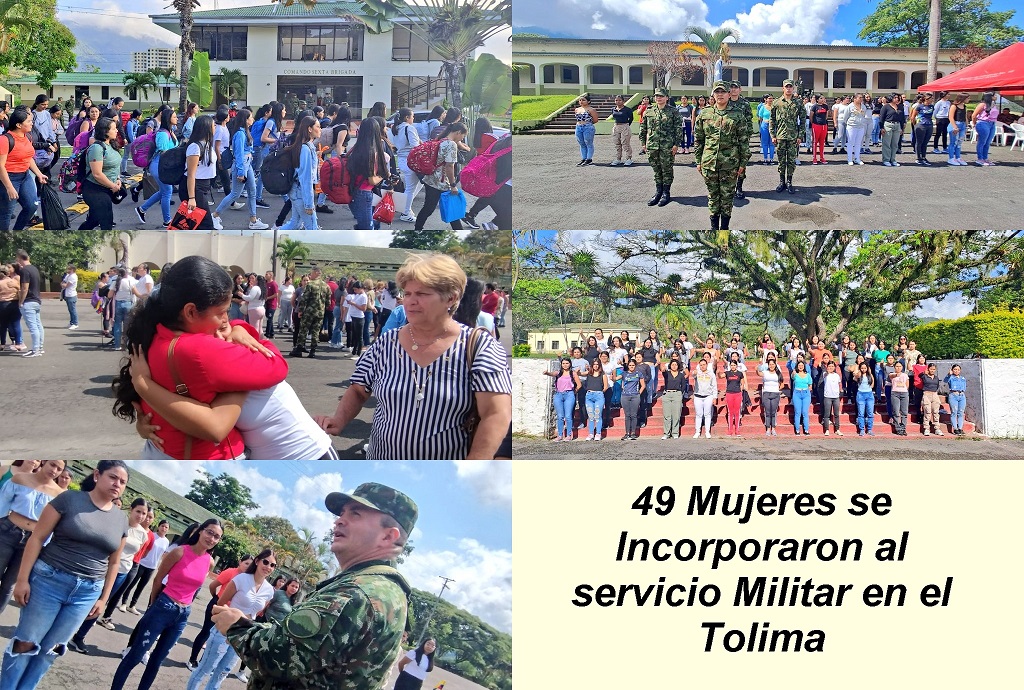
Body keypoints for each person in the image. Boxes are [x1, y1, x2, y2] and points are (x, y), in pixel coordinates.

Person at [213, 484, 417, 690]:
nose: (339, 521)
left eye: (355, 514)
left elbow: (278, 658)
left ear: (388, 536)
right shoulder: (388, 589)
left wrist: (236, 626)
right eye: (342, 513)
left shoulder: (355, 593)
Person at [315, 255, 511, 459]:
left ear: (451, 298)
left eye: (421, 294)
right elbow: (358, 390)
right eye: (407, 293)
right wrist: (338, 420)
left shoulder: (479, 346)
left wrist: (476, 465)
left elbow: (496, 414)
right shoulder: (386, 343)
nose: (410, 301)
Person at [111, 255, 288, 460]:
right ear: (191, 312)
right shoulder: (200, 350)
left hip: (160, 448)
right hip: (209, 457)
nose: (226, 320)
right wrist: (242, 329)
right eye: (221, 312)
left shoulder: (156, 333)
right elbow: (276, 365)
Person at [0, 461, 130, 690]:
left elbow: (114, 562)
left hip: (87, 593)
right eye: (113, 477)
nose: (117, 484)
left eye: (122, 482)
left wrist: (103, 598)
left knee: (51, 650)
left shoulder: (120, 519)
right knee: (26, 643)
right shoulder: (68, 500)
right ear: (97, 475)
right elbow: (37, 538)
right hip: (49, 581)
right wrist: (22, 580)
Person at [110, 518, 223, 690]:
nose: (212, 539)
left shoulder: (210, 561)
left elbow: (195, 588)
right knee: (136, 655)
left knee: (156, 661)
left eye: (217, 537)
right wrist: (154, 604)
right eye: (209, 532)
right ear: (200, 531)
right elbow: (158, 579)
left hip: (183, 614)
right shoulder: (179, 552)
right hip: (164, 605)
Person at [186, 549, 276, 690]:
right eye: (266, 562)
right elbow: (220, 603)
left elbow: (257, 613)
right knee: (205, 669)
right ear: (257, 561)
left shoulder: (269, 590)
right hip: (224, 631)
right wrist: (229, 621)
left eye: (272, 565)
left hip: (243, 636)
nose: (268, 567)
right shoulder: (241, 579)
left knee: (222, 673)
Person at [67, 497, 149, 652]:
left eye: (144, 513)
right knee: (85, 600)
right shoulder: (119, 523)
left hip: (123, 572)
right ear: (131, 509)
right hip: (105, 568)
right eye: (138, 511)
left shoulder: (143, 534)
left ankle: (79, 637)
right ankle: (65, 633)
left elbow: (137, 554)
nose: (140, 516)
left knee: (100, 604)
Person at [0, 460, 65, 614]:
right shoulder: (20, 479)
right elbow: (2, 504)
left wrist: (44, 545)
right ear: (44, 462)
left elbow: (54, 525)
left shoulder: (60, 495)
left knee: (9, 584)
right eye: (52, 464)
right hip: (8, 531)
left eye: (59, 469)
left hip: (32, 541)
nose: (54, 470)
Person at [694, 80, 749, 230]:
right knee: (713, 197)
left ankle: (724, 228)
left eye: (723, 92)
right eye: (717, 92)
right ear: (713, 94)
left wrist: (743, 164)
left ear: (729, 94)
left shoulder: (737, 115)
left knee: (727, 198)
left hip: (730, 165)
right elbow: (699, 140)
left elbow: (744, 141)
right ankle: (713, 228)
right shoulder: (705, 113)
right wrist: (698, 161)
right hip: (709, 163)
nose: (720, 95)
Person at [186, 555, 254, 670]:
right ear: (240, 562)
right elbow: (213, 586)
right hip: (218, 605)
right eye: (246, 563)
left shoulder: (248, 580)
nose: (248, 567)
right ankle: (192, 660)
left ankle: (203, 663)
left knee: (216, 638)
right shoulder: (230, 572)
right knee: (206, 632)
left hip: (229, 612)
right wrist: (216, 598)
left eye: (251, 565)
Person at [212, 109, 269, 231]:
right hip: (242, 165)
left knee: (252, 192)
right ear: (245, 119)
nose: (252, 119)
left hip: (246, 164)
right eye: (250, 117)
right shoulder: (240, 134)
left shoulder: (244, 132)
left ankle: (253, 220)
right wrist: (241, 172)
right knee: (235, 194)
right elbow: (238, 154)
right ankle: (215, 216)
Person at [413, 121, 467, 232]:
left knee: (429, 208)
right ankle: (418, 229)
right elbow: (449, 166)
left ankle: (418, 228)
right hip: (441, 182)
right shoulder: (451, 144)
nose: (461, 139)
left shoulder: (440, 140)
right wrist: (453, 185)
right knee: (440, 208)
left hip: (431, 179)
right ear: (458, 132)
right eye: (463, 136)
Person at [0, 109, 49, 231]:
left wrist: (39, 174)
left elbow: (28, 158)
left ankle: (17, 233)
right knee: (6, 213)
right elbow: (0, 166)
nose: (32, 123)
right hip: (9, 178)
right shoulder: (5, 140)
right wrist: (9, 187)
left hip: (25, 176)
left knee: (31, 206)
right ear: (18, 125)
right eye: (29, 121)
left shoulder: (28, 136)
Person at [136, 108, 179, 227]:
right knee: (167, 192)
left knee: (163, 191)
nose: (177, 118)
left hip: (164, 166)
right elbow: (164, 152)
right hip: (159, 166)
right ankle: (167, 221)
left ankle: (142, 209)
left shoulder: (170, 131)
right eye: (174, 117)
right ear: (168, 119)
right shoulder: (162, 134)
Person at [638, 88, 681, 207]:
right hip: (652, 145)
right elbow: (643, 128)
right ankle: (658, 192)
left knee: (667, 169)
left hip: (667, 146)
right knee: (656, 170)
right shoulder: (649, 110)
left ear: (667, 97)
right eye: (657, 96)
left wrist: (676, 144)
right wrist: (643, 143)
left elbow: (678, 129)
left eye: (661, 96)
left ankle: (666, 193)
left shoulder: (673, 111)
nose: (658, 98)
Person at [120, 518, 170, 614]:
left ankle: (132, 605)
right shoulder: (152, 536)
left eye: (166, 527)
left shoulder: (167, 541)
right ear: (158, 526)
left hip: (152, 567)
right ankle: (124, 603)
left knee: (141, 587)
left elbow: (163, 554)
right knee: (131, 584)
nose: (164, 528)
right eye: (162, 526)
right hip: (142, 563)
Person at [279, 116, 321, 231]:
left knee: (295, 224)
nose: (320, 129)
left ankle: (272, 238)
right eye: (318, 126)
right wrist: (309, 204)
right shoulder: (306, 149)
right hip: (300, 194)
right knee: (312, 229)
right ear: (309, 129)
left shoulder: (306, 146)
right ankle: (270, 239)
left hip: (296, 192)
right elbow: (305, 178)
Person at [180, 115, 217, 230]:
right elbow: (191, 174)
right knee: (207, 225)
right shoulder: (195, 147)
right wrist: (192, 197)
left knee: (191, 225)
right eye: (213, 125)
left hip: (203, 186)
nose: (215, 127)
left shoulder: (207, 144)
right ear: (206, 127)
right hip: (195, 187)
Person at [769, 78, 806, 194]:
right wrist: (773, 135)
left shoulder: (798, 102)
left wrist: (800, 136)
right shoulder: (777, 102)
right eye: (787, 86)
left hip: (793, 137)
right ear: (783, 88)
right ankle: (781, 182)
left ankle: (789, 181)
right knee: (781, 161)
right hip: (780, 136)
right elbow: (772, 120)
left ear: (793, 88)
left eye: (790, 87)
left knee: (791, 161)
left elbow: (803, 120)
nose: (788, 88)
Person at [727, 80, 753, 200]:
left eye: (736, 88)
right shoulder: (725, 103)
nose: (733, 90)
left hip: (741, 139)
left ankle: (739, 187)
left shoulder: (745, 104)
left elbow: (749, 122)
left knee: (741, 164)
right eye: (731, 88)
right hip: (727, 140)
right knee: (727, 164)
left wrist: (747, 137)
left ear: (740, 90)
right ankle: (728, 188)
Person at [545, 357, 580, 442]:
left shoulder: (573, 373)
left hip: (569, 394)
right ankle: (560, 435)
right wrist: (547, 373)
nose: (565, 365)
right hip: (559, 395)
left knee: (568, 416)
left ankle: (568, 435)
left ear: (570, 364)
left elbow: (579, 385)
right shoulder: (559, 373)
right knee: (560, 416)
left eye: (567, 363)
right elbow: (552, 374)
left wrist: (573, 392)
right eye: (563, 363)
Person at [16, 250, 43, 358]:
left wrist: (21, 301)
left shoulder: (25, 270)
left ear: (19, 258)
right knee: (38, 325)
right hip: (36, 300)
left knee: (33, 327)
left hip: (29, 301)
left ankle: (35, 349)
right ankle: (39, 348)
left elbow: (24, 288)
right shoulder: (34, 269)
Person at [619, 359, 646, 440]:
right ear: (628, 366)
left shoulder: (638, 374)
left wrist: (638, 393)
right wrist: (613, 375)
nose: (631, 367)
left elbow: (643, 385)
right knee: (627, 415)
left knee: (634, 415)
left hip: (635, 396)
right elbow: (616, 378)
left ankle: (633, 433)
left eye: (633, 365)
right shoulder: (624, 373)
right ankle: (627, 433)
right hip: (625, 396)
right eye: (630, 365)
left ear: (635, 366)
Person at [659, 358, 686, 439]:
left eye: (676, 365)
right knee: (667, 415)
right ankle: (666, 433)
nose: (674, 366)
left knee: (676, 415)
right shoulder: (667, 374)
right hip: (667, 394)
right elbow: (662, 371)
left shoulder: (681, 375)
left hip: (677, 394)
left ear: (678, 366)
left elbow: (684, 385)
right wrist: (662, 366)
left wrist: (680, 393)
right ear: (670, 366)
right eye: (672, 364)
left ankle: (675, 432)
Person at [757, 357, 783, 436]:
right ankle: (768, 428)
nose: (771, 366)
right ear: (768, 365)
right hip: (766, 393)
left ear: (775, 365)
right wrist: (758, 366)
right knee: (767, 412)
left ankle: (773, 428)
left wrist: (777, 389)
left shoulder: (778, 373)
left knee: (773, 412)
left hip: (775, 393)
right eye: (770, 364)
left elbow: (782, 384)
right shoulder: (765, 372)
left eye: (773, 364)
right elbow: (758, 373)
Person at [722, 358, 748, 437]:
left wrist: (740, 391)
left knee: (737, 412)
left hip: (737, 394)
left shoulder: (740, 374)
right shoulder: (727, 373)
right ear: (730, 366)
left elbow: (742, 383)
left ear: (736, 366)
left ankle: (737, 430)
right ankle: (730, 430)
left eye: (734, 365)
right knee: (730, 412)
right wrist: (718, 372)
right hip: (729, 393)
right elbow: (720, 376)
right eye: (731, 365)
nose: (733, 366)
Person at [971, 92, 998, 166]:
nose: (996, 96)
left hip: (992, 123)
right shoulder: (982, 104)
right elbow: (974, 115)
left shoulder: (993, 104)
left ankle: (985, 158)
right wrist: (974, 124)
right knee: (982, 141)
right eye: (994, 95)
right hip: (983, 122)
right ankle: (980, 158)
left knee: (988, 142)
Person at [573, 95, 599, 166]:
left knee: (588, 142)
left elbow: (596, 120)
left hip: (587, 127)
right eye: (580, 100)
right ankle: (584, 158)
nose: (581, 101)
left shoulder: (591, 110)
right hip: (578, 126)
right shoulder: (577, 109)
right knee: (581, 143)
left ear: (588, 101)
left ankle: (589, 158)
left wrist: (588, 124)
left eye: (583, 100)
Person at [879, 94, 905, 167]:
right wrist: (881, 128)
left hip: (897, 125)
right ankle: (886, 160)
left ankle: (893, 159)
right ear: (891, 98)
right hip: (888, 125)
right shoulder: (886, 107)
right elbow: (881, 118)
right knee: (887, 143)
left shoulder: (900, 107)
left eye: (898, 98)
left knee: (895, 144)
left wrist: (902, 128)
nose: (897, 99)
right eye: (895, 98)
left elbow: (902, 118)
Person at [820, 360, 844, 435]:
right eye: (829, 366)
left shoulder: (837, 375)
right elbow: (825, 374)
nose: (831, 367)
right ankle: (827, 429)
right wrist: (827, 370)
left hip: (836, 397)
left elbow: (839, 384)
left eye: (832, 366)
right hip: (828, 397)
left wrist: (840, 391)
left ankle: (837, 429)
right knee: (827, 414)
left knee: (836, 414)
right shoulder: (825, 374)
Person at [911, 92, 935, 166]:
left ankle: (924, 157)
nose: (932, 100)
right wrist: (916, 124)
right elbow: (912, 117)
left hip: (929, 125)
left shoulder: (931, 106)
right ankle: (918, 157)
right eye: (931, 98)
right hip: (921, 125)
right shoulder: (919, 106)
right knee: (919, 142)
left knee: (925, 142)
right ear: (926, 99)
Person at [919, 362, 944, 436]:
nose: (932, 370)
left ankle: (937, 428)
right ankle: (926, 428)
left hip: (934, 394)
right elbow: (919, 375)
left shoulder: (936, 378)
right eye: (931, 369)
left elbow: (937, 386)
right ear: (928, 369)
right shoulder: (925, 376)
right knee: (927, 412)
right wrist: (924, 372)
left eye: (934, 369)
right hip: (927, 394)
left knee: (936, 412)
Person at [946, 92, 969, 166]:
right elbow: (951, 117)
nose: (969, 99)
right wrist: (955, 127)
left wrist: (967, 125)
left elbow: (965, 116)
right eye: (967, 98)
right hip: (955, 124)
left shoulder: (964, 106)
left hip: (962, 125)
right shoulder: (954, 106)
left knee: (959, 142)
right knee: (953, 142)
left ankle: (958, 157)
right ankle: (951, 158)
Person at [610, 95, 634, 166]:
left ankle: (628, 158)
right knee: (617, 143)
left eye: (620, 100)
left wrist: (626, 125)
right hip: (616, 126)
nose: (618, 102)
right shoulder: (613, 109)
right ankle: (618, 159)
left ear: (623, 101)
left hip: (624, 126)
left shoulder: (627, 109)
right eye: (616, 100)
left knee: (625, 143)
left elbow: (631, 118)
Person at [844, 94, 868, 165]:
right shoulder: (850, 107)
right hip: (852, 126)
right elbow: (845, 117)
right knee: (851, 143)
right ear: (855, 98)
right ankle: (850, 159)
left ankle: (857, 158)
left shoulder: (863, 106)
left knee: (858, 143)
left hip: (860, 127)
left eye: (862, 98)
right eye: (859, 98)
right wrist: (849, 124)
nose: (861, 99)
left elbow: (863, 115)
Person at [888, 360, 911, 436]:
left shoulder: (905, 375)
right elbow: (892, 376)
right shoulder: (892, 374)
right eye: (897, 366)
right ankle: (898, 428)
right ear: (894, 367)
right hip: (895, 393)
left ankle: (903, 428)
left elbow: (907, 385)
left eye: (900, 366)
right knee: (896, 411)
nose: (898, 368)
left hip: (904, 393)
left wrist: (904, 390)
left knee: (904, 412)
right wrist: (897, 374)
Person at [853, 361, 875, 436]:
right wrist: (858, 370)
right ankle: (861, 429)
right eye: (862, 368)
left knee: (870, 413)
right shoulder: (858, 375)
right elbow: (855, 377)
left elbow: (872, 383)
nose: (863, 369)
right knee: (861, 413)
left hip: (869, 394)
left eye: (865, 368)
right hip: (860, 395)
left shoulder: (870, 375)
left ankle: (869, 429)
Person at [944, 364, 968, 435]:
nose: (956, 371)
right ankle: (955, 428)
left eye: (958, 369)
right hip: (953, 395)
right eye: (955, 369)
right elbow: (945, 380)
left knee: (961, 412)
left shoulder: (962, 378)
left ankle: (960, 428)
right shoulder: (950, 377)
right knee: (954, 412)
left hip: (962, 395)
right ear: (952, 370)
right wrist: (949, 374)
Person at [791, 360, 813, 435]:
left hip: (806, 394)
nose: (800, 367)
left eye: (802, 365)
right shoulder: (795, 374)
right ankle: (797, 430)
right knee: (798, 412)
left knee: (805, 412)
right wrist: (793, 372)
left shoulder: (808, 375)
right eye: (799, 365)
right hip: (797, 393)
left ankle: (806, 430)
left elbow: (810, 384)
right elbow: (792, 377)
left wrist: (808, 391)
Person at [757, 95, 776, 164]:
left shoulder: (774, 107)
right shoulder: (763, 107)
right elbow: (760, 117)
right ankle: (765, 158)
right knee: (764, 143)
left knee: (772, 143)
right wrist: (764, 122)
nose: (771, 100)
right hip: (764, 125)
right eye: (769, 98)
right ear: (766, 99)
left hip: (773, 126)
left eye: (772, 98)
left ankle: (771, 159)